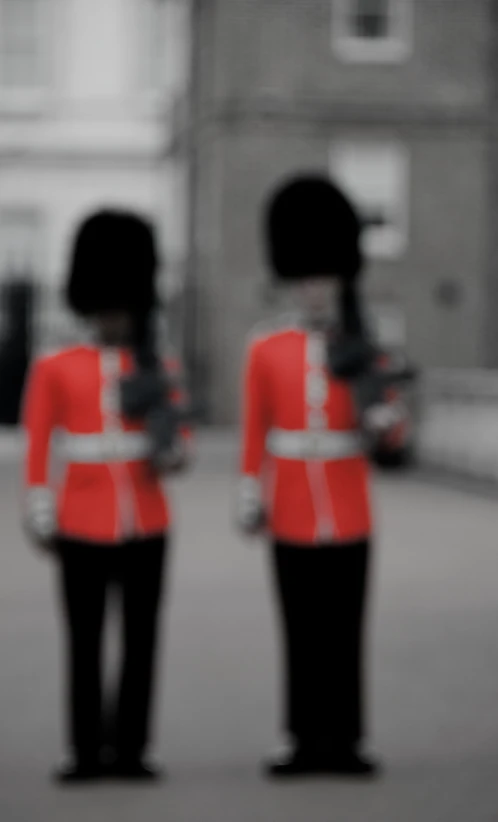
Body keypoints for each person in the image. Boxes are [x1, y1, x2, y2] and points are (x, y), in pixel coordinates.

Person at [237, 175, 408, 778]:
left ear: (340, 280)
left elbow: (393, 432)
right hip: (289, 502)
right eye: (307, 278)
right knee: (300, 627)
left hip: (348, 500)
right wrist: (249, 489)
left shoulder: (363, 346)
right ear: (293, 279)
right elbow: (255, 428)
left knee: (345, 627)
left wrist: (386, 417)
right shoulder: (267, 348)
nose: (315, 289)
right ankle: (303, 738)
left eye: (324, 278)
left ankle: (348, 738)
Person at [22, 210, 192, 783]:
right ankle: (85, 751)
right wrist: (39, 505)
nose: (115, 317)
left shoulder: (159, 367)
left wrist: (170, 445)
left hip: (146, 516)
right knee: (85, 641)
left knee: (142, 640)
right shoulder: (56, 367)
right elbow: (40, 443)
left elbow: (180, 445)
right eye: (108, 306)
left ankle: (133, 749)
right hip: (80, 517)